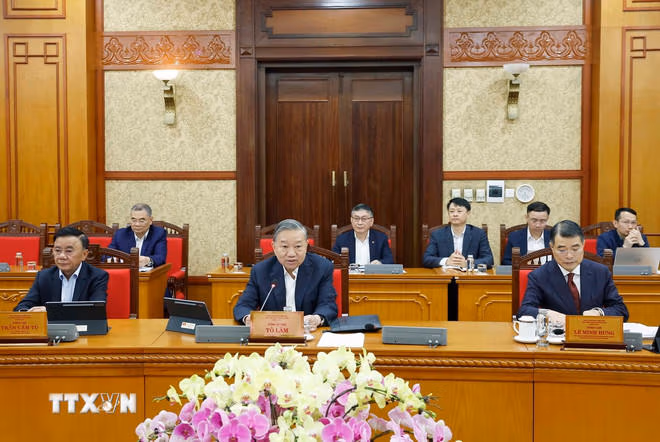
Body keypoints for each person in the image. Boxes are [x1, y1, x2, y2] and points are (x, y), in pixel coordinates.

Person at [233, 219, 338, 331]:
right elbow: (243, 306)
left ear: (306, 246)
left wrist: (316, 319)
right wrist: (248, 318)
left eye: (298, 246)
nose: (291, 254)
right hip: (273, 334)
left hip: (309, 334)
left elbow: (328, 305)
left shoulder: (322, 268)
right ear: (274, 246)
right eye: (284, 247)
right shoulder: (260, 271)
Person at [518, 220, 629, 323]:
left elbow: (621, 310)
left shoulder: (600, 272)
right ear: (552, 247)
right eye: (562, 250)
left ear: (583, 245)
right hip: (558, 333)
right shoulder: (539, 276)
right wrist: (547, 314)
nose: (569, 256)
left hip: (591, 333)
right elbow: (524, 310)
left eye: (575, 249)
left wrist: (599, 312)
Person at [14, 227, 109, 312]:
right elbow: (22, 306)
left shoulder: (97, 276)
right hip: (50, 327)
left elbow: (96, 310)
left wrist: (51, 311)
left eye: (69, 251)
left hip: (82, 325)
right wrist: (28, 312)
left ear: (84, 254)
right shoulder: (44, 276)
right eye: (58, 250)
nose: (62, 256)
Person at [423, 197, 494, 269]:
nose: (455, 214)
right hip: (446, 275)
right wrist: (447, 261)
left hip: (469, 275)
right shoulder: (437, 234)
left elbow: (489, 260)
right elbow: (426, 259)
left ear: (468, 213)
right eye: (452, 211)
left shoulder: (479, 234)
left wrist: (467, 263)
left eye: (459, 211)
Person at [108, 203, 167, 268]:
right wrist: (112, 259)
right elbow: (107, 255)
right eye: (134, 220)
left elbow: (160, 258)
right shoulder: (120, 234)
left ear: (150, 220)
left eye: (141, 221)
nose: (137, 224)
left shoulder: (158, 233)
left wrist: (148, 260)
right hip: (125, 272)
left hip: (148, 273)